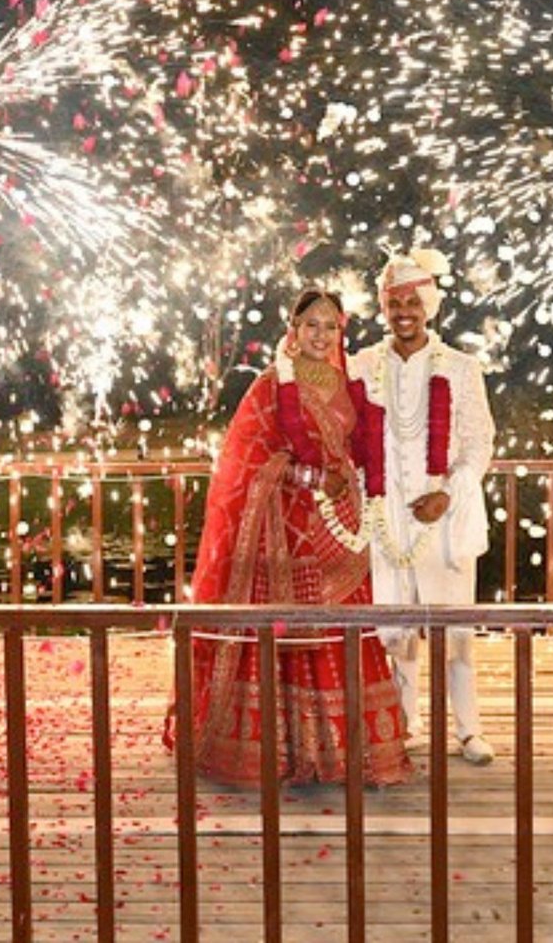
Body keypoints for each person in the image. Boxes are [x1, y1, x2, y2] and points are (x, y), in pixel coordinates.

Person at [168, 289, 412, 787]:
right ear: (293, 330)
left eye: (330, 327)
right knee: (288, 633)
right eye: (311, 326)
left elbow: (354, 449)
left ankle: (342, 751)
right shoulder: (268, 386)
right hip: (282, 525)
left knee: (339, 629)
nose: (321, 336)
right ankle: (280, 749)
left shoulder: (349, 384)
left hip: (340, 524)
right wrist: (310, 479)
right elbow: (248, 461)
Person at [348, 249, 498, 765]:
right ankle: (404, 724)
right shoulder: (361, 366)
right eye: (394, 303)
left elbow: (479, 442)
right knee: (396, 631)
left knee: (456, 632)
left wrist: (449, 491)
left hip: (444, 515)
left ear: (429, 305)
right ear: (384, 308)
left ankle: (469, 730)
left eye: (413, 301)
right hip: (386, 515)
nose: (403, 311)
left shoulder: (460, 366)